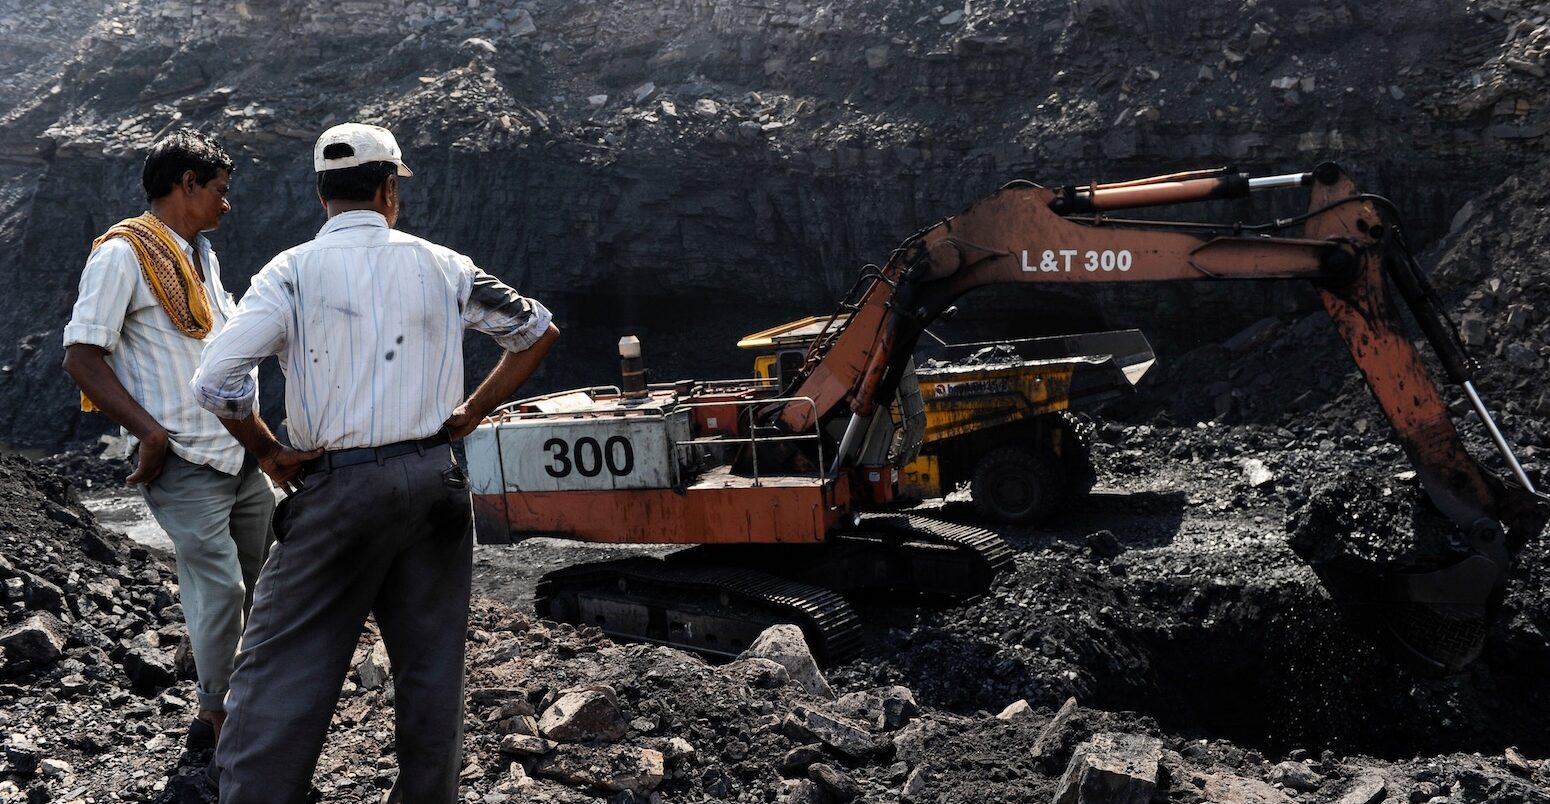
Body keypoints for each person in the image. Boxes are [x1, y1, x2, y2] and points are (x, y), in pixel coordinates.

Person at [192, 122, 558, 803]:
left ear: (322, 195)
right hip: (433, 483)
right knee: (431, 669)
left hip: (337, 488)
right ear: (389, 189)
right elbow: (536, 329)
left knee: (279, 672)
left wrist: (268, 451)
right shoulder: (445, 265)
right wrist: (472, 413)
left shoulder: (291, 272)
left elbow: (216, 379)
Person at [62, 128, 272, 750]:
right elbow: (81, 355)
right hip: (183, 454)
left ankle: (248, 693)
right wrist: (149, 434)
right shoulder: (122, 254)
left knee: (259, 578)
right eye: (220, 190)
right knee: (221, 586)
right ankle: (213, 716)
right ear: (187, 185)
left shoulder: (199, 255)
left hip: (237, 451)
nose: (227, 203)